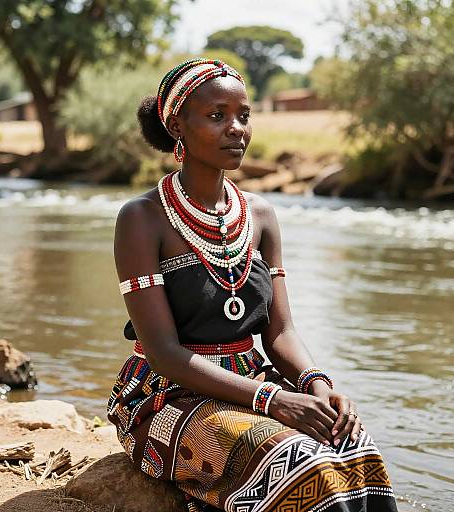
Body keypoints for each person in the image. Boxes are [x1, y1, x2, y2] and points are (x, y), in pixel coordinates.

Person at [107, 58, 398, 512]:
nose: (236, 129)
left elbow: (279, 332)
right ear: (178, 125)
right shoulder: (142, 219)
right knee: (303, 465)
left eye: (244, 115)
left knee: (357, 449)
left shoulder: (260, 215)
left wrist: (318, 385)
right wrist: (275, 400)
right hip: (165, 397)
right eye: (217, 116)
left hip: (251, 380)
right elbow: (163, 352)